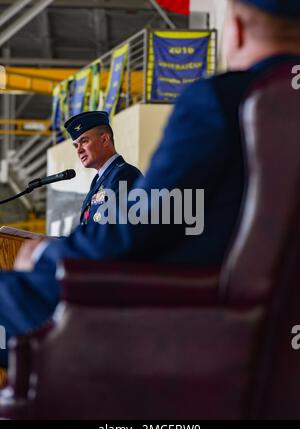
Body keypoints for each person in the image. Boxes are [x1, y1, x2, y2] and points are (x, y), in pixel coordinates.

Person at [1, 0, 300, 368]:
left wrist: (46, 256)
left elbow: (135, 233)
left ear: (234, 28)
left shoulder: (219, 102)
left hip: (183, 318)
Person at [65, 111, 142, 226]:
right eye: (76, 145)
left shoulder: (125, 175)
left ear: (105, 139)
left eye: (84, 141)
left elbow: (114, 234)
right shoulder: (99, 179)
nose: (79, 150)